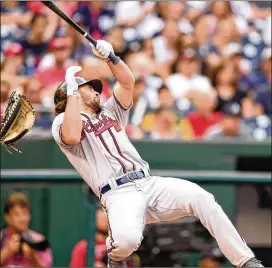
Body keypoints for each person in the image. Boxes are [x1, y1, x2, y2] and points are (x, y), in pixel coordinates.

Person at [51, 39, 263, 268]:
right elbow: (72, 135)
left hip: (148, 182)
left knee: (202, 198)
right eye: (88, 88)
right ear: (71, 96)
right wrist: (72, 90)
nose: (95, 90)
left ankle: (245, 261)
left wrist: (111, 58)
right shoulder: (61, 121)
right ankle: (117, 257)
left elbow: (127, 82)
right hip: (118, 193)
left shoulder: (109, 111)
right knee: (127, 241)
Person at [0, 192, 53, 267]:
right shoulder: (1, 237)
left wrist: (33, 256)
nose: (22, 219)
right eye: (17, 214)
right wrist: (7, 251)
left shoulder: (39, 240)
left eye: (25, 214)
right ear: (7, 217)